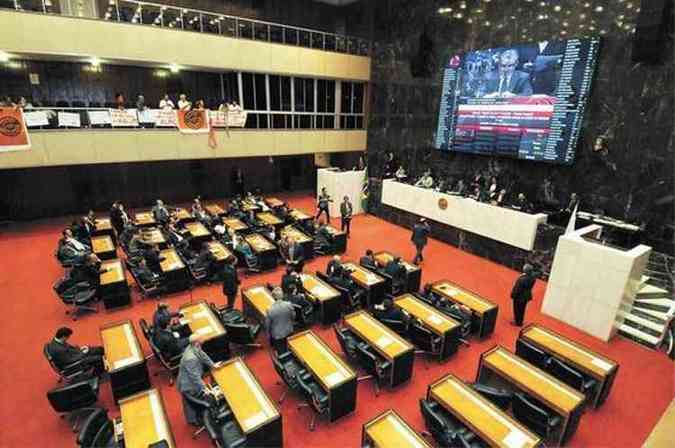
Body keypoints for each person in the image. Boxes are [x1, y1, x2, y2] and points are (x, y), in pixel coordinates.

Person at [177, 339, 218, 426]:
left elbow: (202, 355)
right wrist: (205, 389)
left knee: (188, 400)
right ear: (197, 343)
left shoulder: (192, 347)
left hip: (186, 381)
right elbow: (194, 377)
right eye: (201, 342)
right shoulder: (191, 358)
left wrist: (213, 365)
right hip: (188, 384)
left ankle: (191, 418)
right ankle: (194, 420)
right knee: (191, 399)